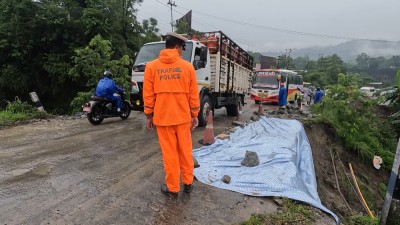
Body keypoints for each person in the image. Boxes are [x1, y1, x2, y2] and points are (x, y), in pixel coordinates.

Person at [143, 32, 200, 198]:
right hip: (182, 118)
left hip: (162, 118)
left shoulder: (151, 67)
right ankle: (188, 183)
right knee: (185, 151)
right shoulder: (187, 67)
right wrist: (194, 114)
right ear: (176, 47)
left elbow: (148, 94)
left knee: (170, 154)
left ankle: (173, 188)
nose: (182, 51)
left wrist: (148, 115)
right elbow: (193, 94)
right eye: (182, 48)